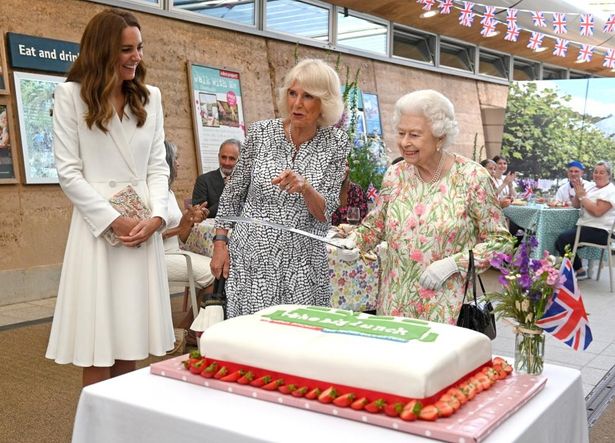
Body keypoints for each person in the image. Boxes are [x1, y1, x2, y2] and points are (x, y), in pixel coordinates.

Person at [45, 9, 174, 386]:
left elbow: (158, 166)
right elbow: (69, 173)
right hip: (98, 230)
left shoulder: (151, 98)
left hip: (142, 227)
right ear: (102, 51)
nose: (137, 57)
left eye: (139, 48)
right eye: (126, 49)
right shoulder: (70, 96)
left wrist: (157, 217)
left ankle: (122, 425)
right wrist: (114, 220)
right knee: (98, 341)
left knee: (131, 337)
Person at [351, 89, 514, 324]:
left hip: (446, 310)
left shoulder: (471, 177)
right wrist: (354, 243)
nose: (405, 142)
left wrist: (453, 264)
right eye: (401, 133)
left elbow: (500, 242)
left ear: (440, 136)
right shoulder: (395, 174)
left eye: (415, 135)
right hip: (394, 306)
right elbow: (375, 226)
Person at [210, 58, 350, 318]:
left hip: (303, 263)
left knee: (298, 341)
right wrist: (220, 243)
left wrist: (305, 187)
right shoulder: (261, 133)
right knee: (251, 338)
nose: (296, 103)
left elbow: (326, 213)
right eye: (292, 94)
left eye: (308, 96)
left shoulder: (336, 142)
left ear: (325, 103)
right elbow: (233, 194)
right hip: (252, 258)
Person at [162, 140, 214, 314]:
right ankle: (190, 327)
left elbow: (181, 237)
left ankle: (190, 326)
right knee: (214, 272)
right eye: (175, 159)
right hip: (159, 257)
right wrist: (183, 225)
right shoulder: (154, 193)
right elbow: (153, 235)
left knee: (218, 266)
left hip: (174, 252)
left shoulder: (168, 191)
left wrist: (191, 220)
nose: (178, 163)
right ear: (166, 161)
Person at [555, 161, 615, 280]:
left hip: (600, 231)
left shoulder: (610, 190)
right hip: (585, 227)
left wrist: (582, 196)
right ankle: (578, 270)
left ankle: (577, 270)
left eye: (601, 172)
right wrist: (578, 194)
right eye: (595, 172)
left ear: (609, 175)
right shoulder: (591, 186)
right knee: (561, 240)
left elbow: (597, 211)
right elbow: (576, 205)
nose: (597, 175)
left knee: (563, 240)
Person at [191, 139, 240, 217]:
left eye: (232, 159)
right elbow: (200, 214)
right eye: (223, 157)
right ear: (218, 156)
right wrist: (229, 196)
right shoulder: (203, 181)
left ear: (240, 160)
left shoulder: (247, 182)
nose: (226, 162)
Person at [331, 159, 368, 226]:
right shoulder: (324, 192)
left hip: (351, 235)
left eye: (346, 165)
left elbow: (363, 221)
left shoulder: (357, 191)